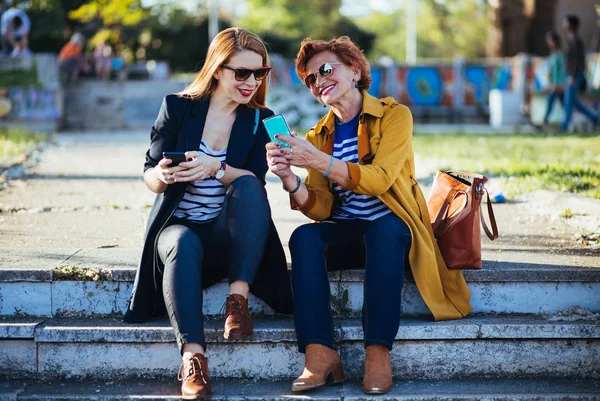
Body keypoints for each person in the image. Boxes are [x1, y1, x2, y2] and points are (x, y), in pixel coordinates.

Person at [266, 36, 472, 395]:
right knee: (304, 237)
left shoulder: (394, 116)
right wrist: (289, 179)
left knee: (384, 232)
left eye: (326, 69)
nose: (318, 81)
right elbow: (323, 208)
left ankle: (377, 352)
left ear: (355, 70)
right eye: (311, 79)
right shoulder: (319, 134)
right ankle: (319, 353)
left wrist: (317, 160)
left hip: (394, 230)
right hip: (349, 231)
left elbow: (379, 180)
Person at [124, 27, 293, 399]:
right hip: (179, 231)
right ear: (217, 69)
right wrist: (163, 175)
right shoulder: (178, 107)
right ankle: (193, 360)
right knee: (182, 241)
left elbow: (255, 181)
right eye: (242, 72)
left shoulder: (260, 120)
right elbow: (149, 173)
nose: (251, 82)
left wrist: (214, 168)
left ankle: (238, 303)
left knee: (248, 185)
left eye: (259, 73)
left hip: (227, 238)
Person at [561, 14, 598, 131]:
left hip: (575, 74)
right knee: (571, 100)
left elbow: (576, 60)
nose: (563, 24)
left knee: (568, 100)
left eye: (565, 22)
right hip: (572, 74)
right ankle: (594, 117)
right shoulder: (571, 39)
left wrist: (572, 75)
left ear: (571, 25)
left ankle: (565, 125)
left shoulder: (576, 40)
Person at [543, 31, 566, 126]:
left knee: (552, 100)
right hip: (554, 84)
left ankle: (545, 120)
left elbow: (562, 71)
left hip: (560, 85)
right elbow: (552, 72)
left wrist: (559, 84)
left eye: (549, 40)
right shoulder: (552, 54)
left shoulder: (561, 55)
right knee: (564, 104)